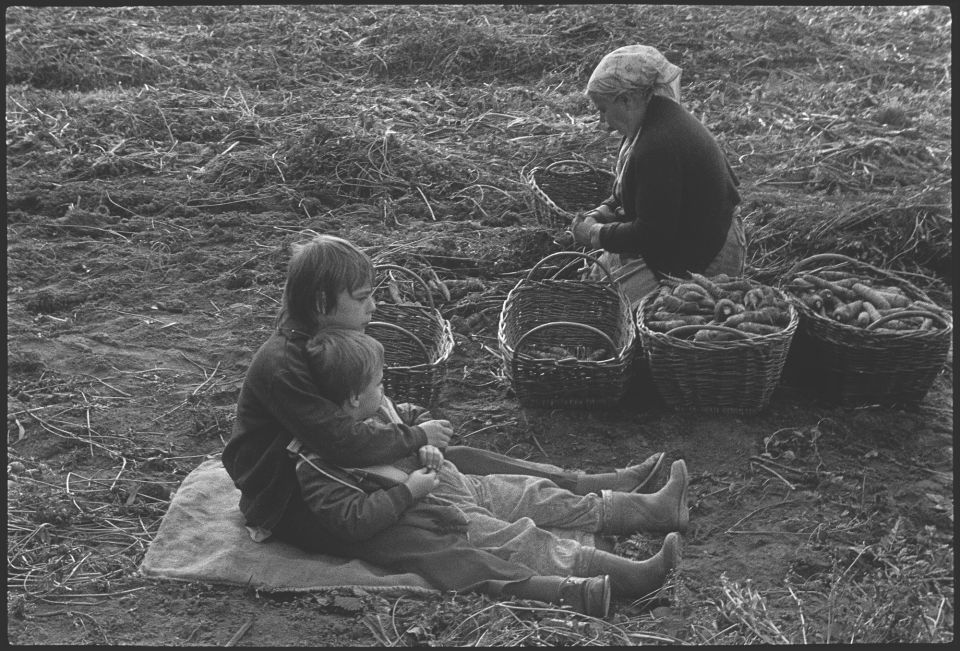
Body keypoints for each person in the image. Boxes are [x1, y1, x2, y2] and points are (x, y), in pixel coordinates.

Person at [222, 234, 666, 549]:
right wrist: (415, 439)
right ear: (321, 304)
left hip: (332, 470)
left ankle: (591, 487)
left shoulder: (317, 341)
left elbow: (362, 424)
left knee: (460, 459)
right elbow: (340, 440)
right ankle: (570, 554)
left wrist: (412, 430)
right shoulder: (284, 365)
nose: (374, 306)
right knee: (440, 520)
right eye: (361, 297)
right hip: (292, 498)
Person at [290, 327, 686, 614]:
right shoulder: (319, 464)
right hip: (444, 515)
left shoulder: (376, 408)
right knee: (523, 540)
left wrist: (424, 441)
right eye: (378, 383)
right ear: (353, 397)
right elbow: (351, 521)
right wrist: (407, 491)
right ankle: (631, 578)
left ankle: (650, 510)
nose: (385, 390)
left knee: (534, 493)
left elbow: (413, 416)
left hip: (464, 484)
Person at [570, 44, 746, 308]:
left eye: (603, 109)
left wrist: (596, 234)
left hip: (710, 252)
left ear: (627, 100)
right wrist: (603, 212)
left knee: (612, 305)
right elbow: (633, 192)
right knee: (600, 277)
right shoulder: (649, 121)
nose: (602, 123)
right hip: (687, 234)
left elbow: (652, 234)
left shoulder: (657, 145)